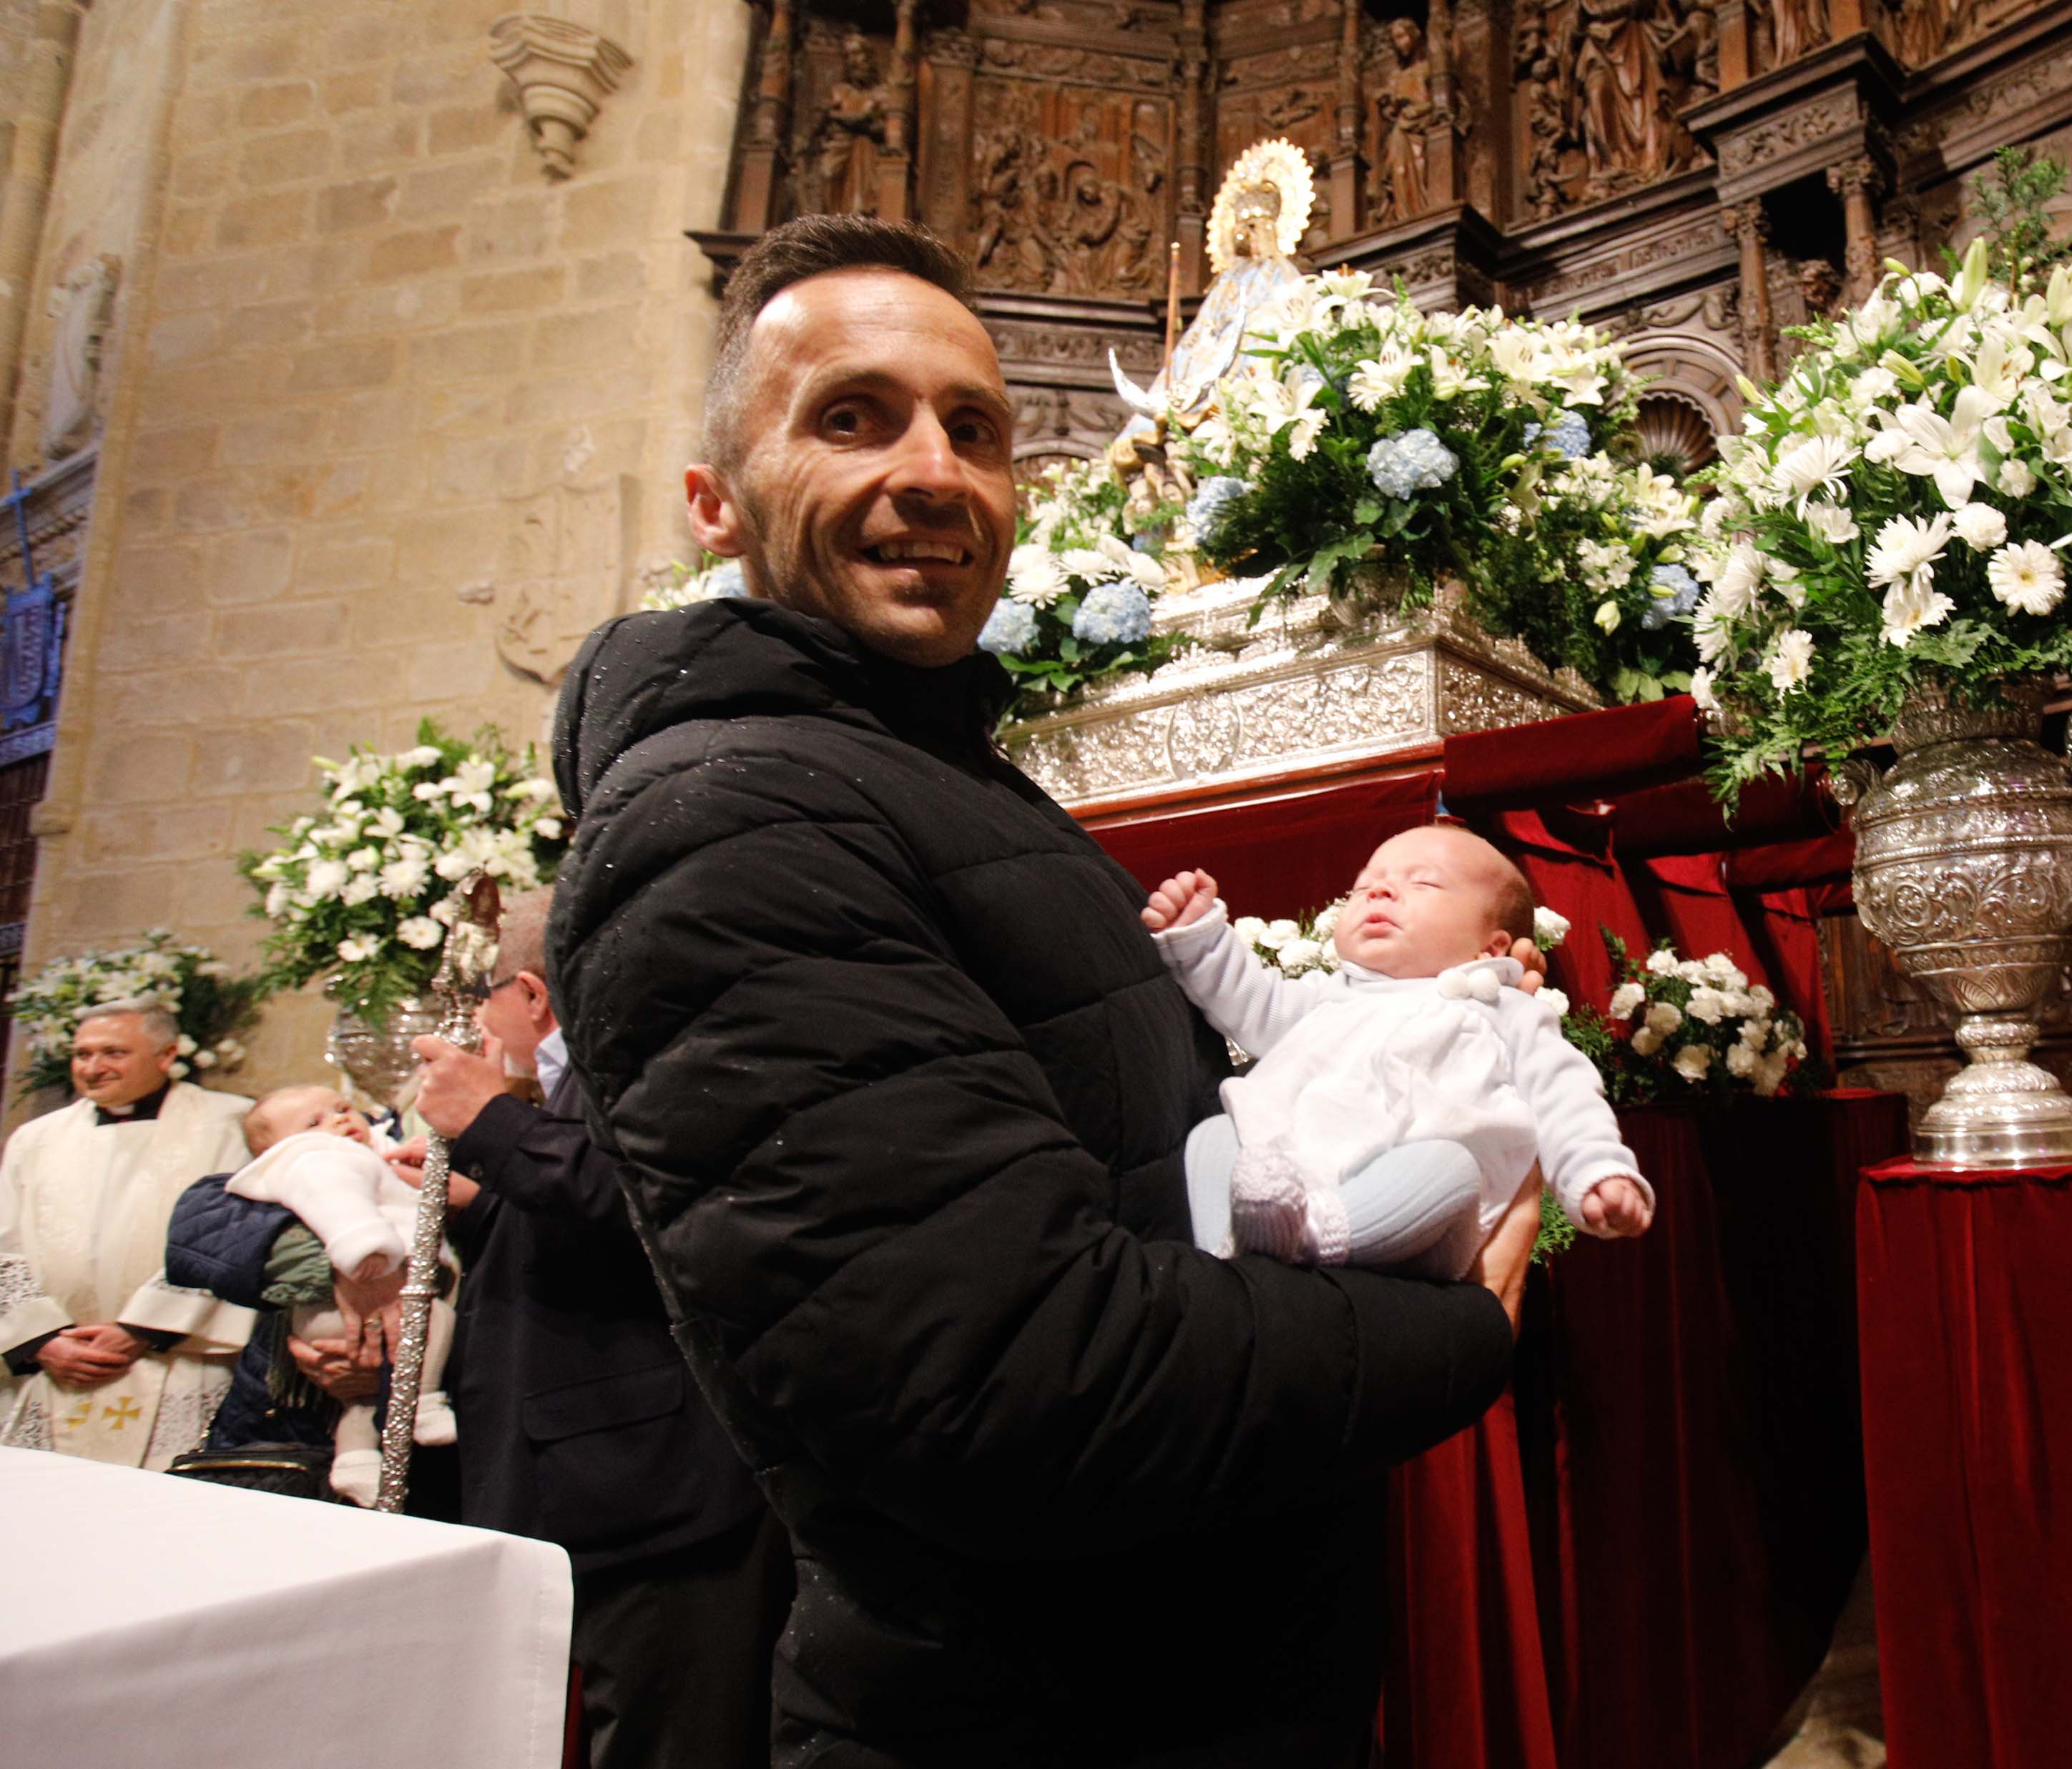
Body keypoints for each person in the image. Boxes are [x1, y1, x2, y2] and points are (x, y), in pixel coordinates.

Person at [547, 212, 1534, 1768]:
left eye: (975, 428)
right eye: (852, 417)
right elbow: (1014, 1385)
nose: (931, 470)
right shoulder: (728, 820)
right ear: (713, 505)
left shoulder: (932, 779)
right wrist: (1460, 1320)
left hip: (1186, 1678)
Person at [398, 887, 785, 1769]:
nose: (480, 1016)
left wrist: (495, 1124)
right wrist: (481, 1203)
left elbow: (673, 1200)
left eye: (487, 992)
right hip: (587, 1480)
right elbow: (591, 1233)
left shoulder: (650, 1050)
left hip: (653, 1485)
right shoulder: (566, 1080)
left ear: (532, 995)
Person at [1144, 827, 1653, 1273]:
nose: (1379, 890)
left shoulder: (1506, 1013)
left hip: (1409, 1222)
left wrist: (1595, 1170)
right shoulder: (1329, 995)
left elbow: (1564, 1095)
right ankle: (1218, 1256)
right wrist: (1201, 938)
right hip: (1281, 1185)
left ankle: (1315, 1235)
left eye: (1424, 883)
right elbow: (1250, 1003)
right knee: (1216, 1133)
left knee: (1450, 1166)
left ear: (1491, 948)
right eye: (1363, 886)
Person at [0, 1001, 253, 1468]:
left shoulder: (230, 1123)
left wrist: (141, 1328)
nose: (93, 1069)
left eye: (113, 1053)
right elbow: (4, 1247)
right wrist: (42, 1340)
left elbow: (232, 1233)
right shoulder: (35, 1139)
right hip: (53, 1368)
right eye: (82, 1055)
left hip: (176, 1358)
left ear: (166, 1054)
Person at [225, 1086, 458, 1503]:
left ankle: (354, 1460)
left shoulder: (360, 1153)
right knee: (433, 1319)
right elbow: (340, 1205)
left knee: (361, 1392)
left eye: (342, 1108)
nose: (337, 1120)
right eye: (314, 1123)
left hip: (327, 1314)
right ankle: (422, 1403)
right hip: (343, 1301)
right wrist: (366, 1254)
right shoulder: (316, 1160)